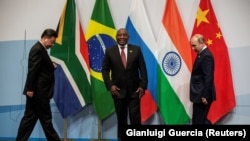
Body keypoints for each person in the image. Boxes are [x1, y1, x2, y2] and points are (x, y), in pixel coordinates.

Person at [101, 28, 148, 141]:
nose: (122, 37)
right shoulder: (110, 51)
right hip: (117, 91)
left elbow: (143, 70)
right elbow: (105, 70)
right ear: (116, 37)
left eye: (124, 35)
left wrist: (142, 86)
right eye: (120, 35)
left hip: (135, 91)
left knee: (135, 119)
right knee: (121, 120)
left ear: (128, 37)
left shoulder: (136, 50)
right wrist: (110, 85)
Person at [16, 28, 61, 141]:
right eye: (52, 41)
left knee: (29, 120)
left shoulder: (40, 49)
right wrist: (30, 89)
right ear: (46, 38)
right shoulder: (37, 49)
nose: (53, 44)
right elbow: (33, 70)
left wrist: (51, 65)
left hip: (37, 93)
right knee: (46, 121)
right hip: (38, 93)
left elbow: (40, 68)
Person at [189, 34, 216, 125]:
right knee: (199, 121)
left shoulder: (206, 56)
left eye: (194, 45)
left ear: (201, 43)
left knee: (198, 122)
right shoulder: (201, 54)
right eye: (191, 45)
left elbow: (208, 77)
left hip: (202, 96)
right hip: (199, 94)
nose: (192, 48)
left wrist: (205, 96)